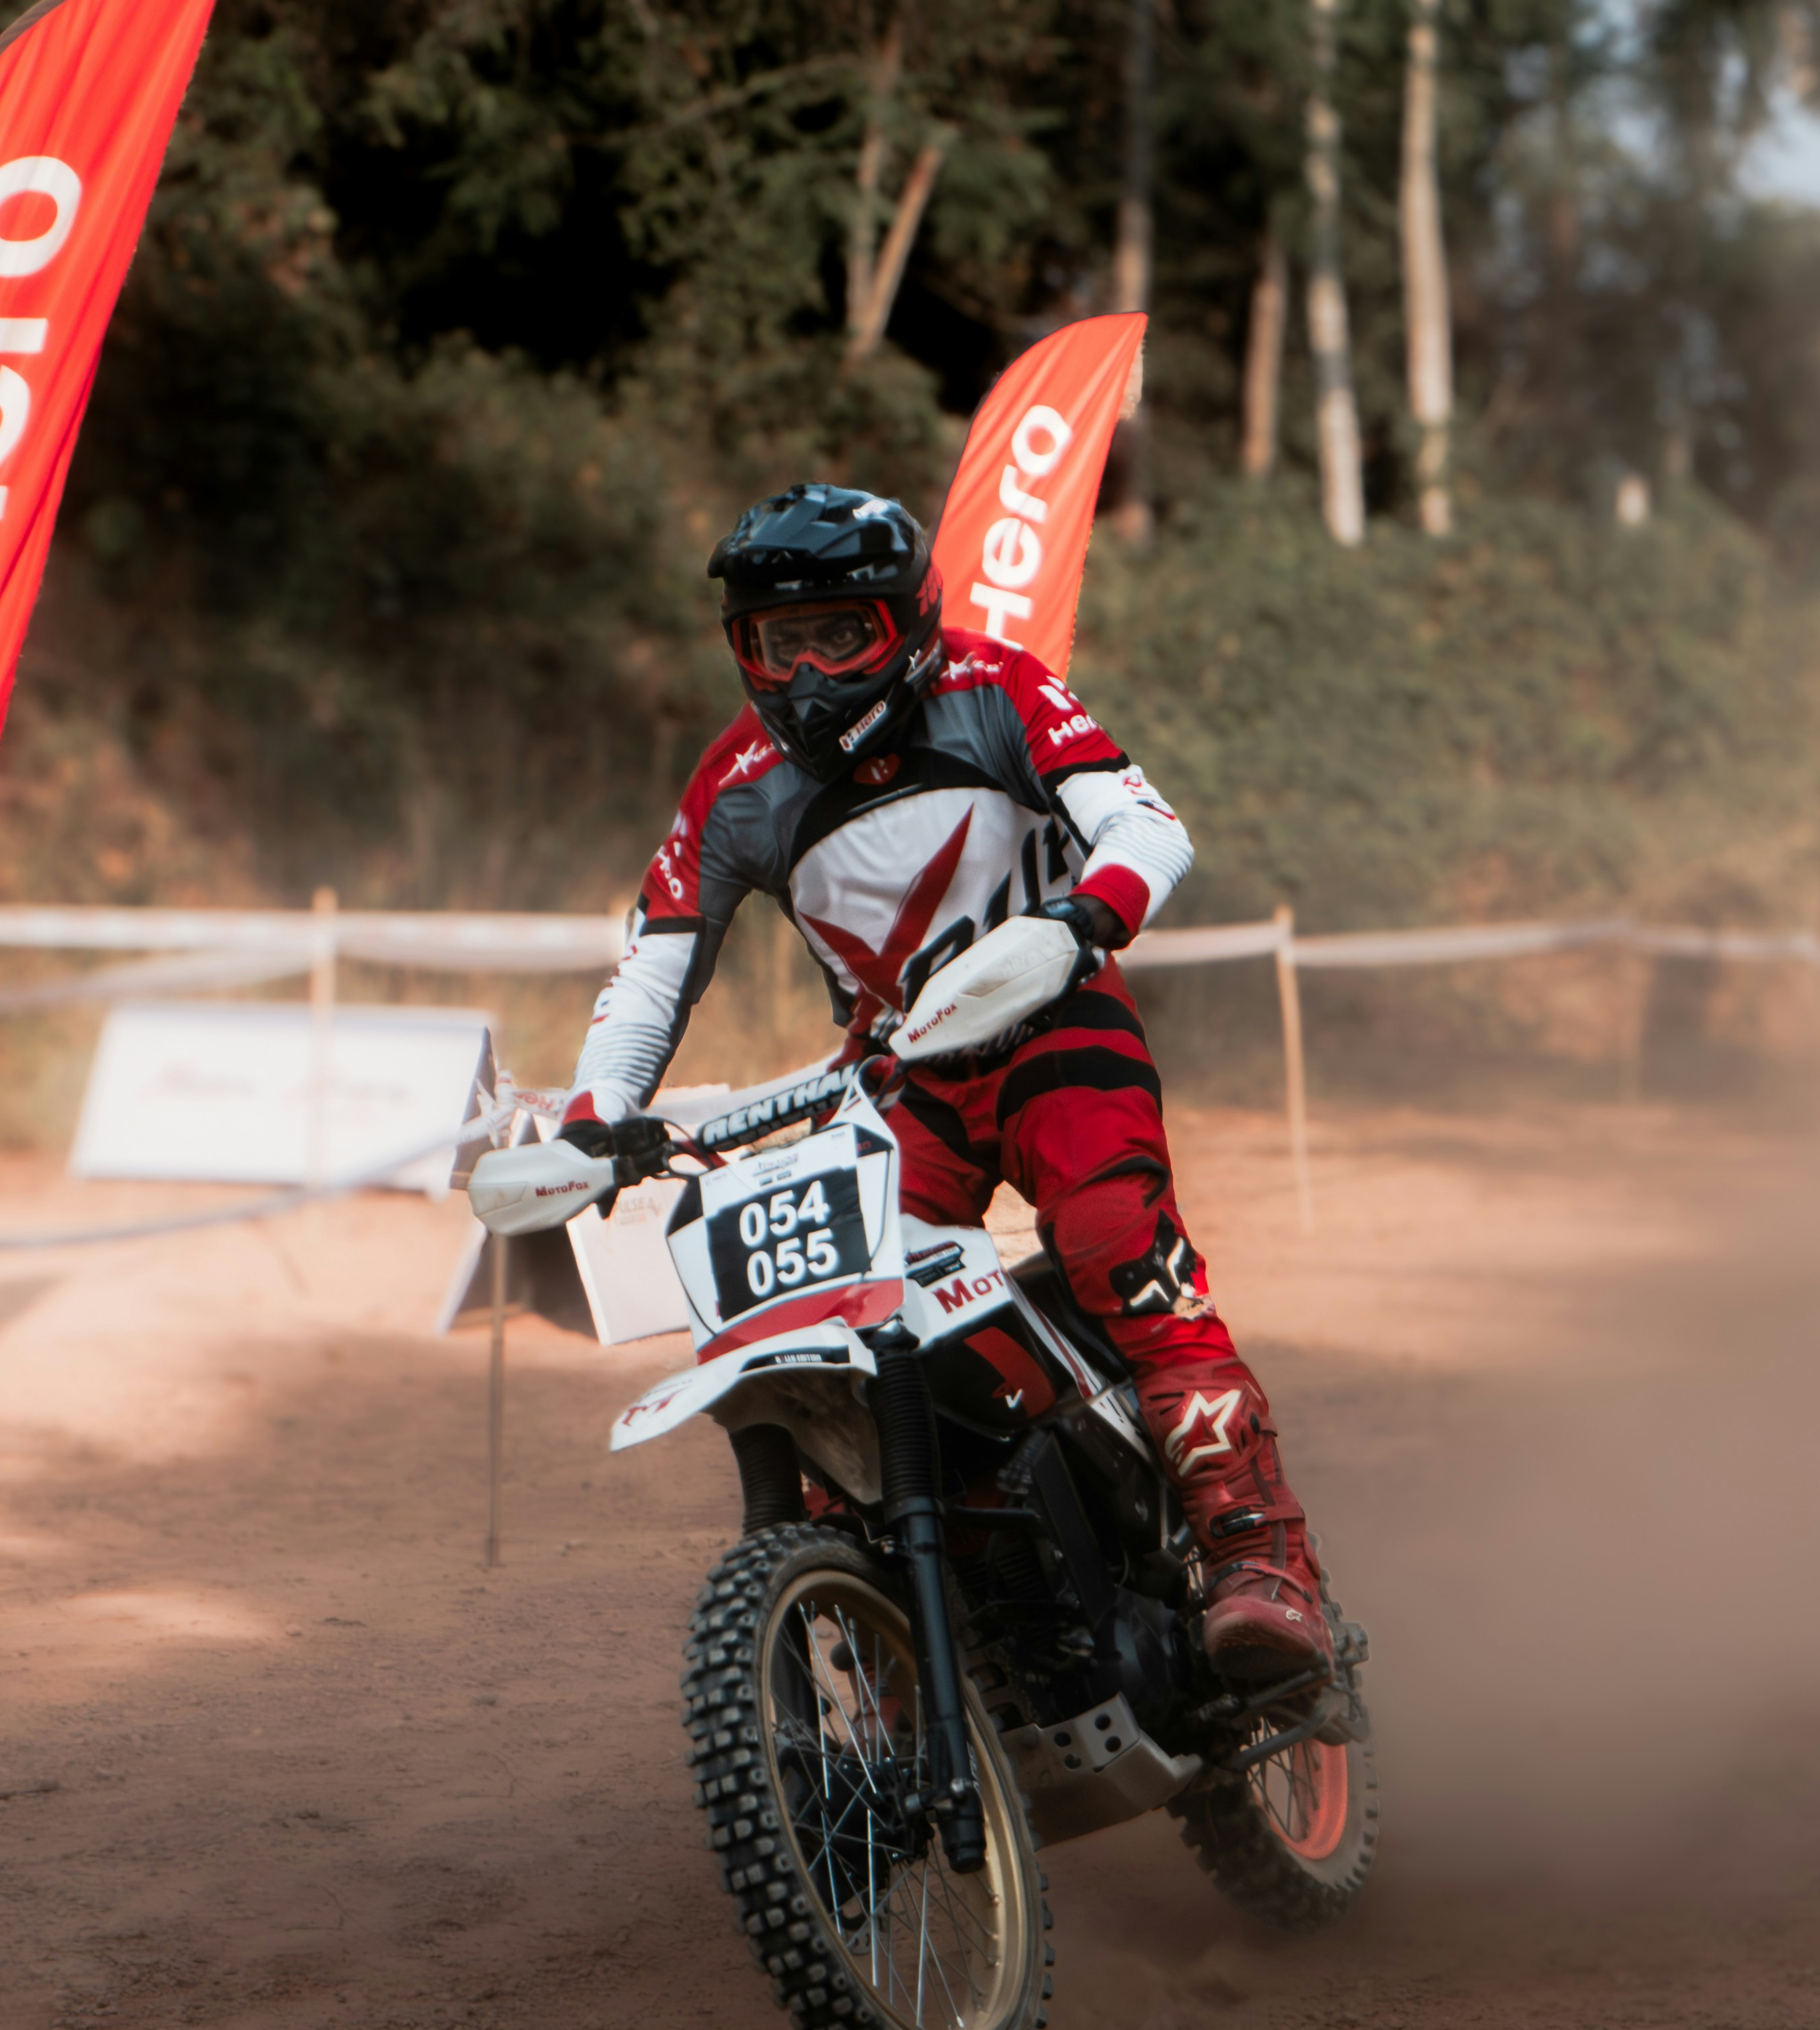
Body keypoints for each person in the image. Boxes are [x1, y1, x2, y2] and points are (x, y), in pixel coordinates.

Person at [558, 481, 1331, 1689]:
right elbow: (656, 969)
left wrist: (1077, 921)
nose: (809, 675)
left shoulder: (995, 688)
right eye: (778, 643)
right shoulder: (735, 784)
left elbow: (1149, 827)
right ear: (742, 650)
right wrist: (594, 1112)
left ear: (907, 622)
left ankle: (1257, 1555)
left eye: (841, 635)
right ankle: (917, 1603)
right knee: (837, 1325)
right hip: (902, 1078)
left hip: (1057, 1022)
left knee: (1117, 1243)